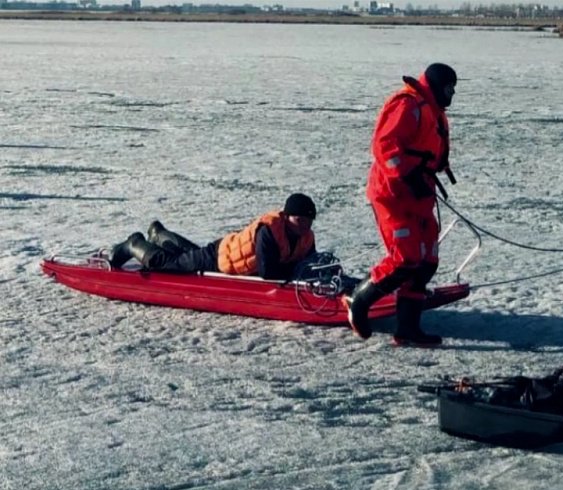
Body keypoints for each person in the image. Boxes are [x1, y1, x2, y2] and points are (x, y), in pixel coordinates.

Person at [345, 63, 458, 347]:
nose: (452, 94)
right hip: (392, 195)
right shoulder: (408, 104)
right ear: (435, 85)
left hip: (420, 195)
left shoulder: (434, 112)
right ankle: (359, 300)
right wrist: (407, 175)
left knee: (426, 262)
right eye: (448, 88)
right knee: (405, 258)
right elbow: (384, 146)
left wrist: (431, 171)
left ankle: (407, 329)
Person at [106, 193, 317, 281]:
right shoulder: (269, 232)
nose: (305, 226)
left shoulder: (306, 236)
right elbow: (268, 273)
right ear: (287, 217)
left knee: (189, 254)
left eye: (308, 222)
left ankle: (159, 235)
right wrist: (297, 272)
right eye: (300, 221)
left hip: (225, 250)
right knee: (171, 263)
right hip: (219, 259)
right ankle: (134, 244)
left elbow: (309, 262)